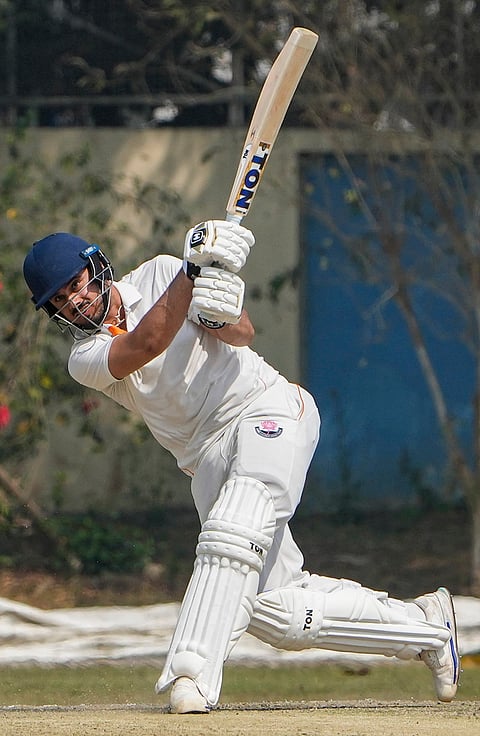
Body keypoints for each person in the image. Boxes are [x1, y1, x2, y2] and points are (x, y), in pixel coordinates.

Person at [23, 224, 460, 714]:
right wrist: (194, 274)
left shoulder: (162, 273)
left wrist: (219, 314)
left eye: (77, 284)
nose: (75, 302)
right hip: (206, 457)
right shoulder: (85, 358)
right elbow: (146, 343)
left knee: (238, 520)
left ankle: (192, 672)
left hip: (263, 407)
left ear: (96, 266)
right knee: (277, 613)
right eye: (60, 300)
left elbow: (243, 332)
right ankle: (427, 627)